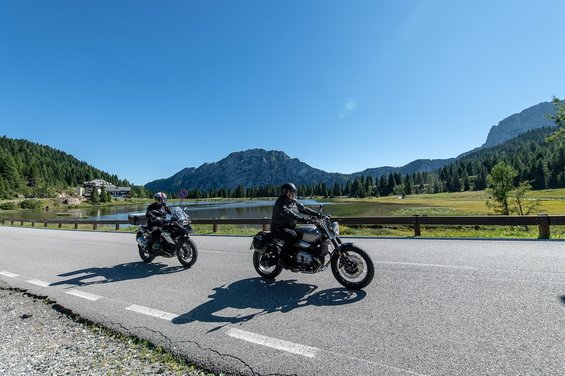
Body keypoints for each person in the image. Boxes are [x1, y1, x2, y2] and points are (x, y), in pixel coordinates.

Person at [270, 183, 319, 264]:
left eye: (294, 192)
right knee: (292, 236)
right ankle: (282, 259)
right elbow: (288, 213)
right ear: (285, 192)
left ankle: (298, 255)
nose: (294, 194)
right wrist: (301, 219)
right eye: (292, 191)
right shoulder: (280, 202)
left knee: (303, 233)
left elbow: (304, 209)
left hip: (290, 227)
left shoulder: (293, 202)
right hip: (278, 228)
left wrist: (316, 214)